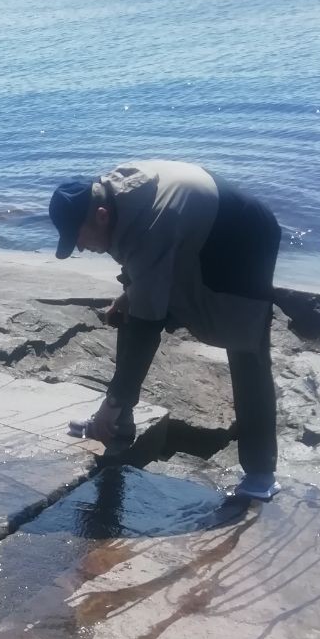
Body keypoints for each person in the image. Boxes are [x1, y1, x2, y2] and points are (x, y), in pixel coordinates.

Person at [49, 160, 282, 499]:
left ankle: (261, 474)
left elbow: (148, 329)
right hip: (193, 231)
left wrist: (110, 402)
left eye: (78, 238)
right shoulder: (113, 199)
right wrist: (131, 292)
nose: (80, 248)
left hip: (244, 239)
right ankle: (119, 425)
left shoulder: (149, 222)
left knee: (247, 345)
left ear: (100, 215)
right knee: (127, 311)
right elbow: (142, 265)